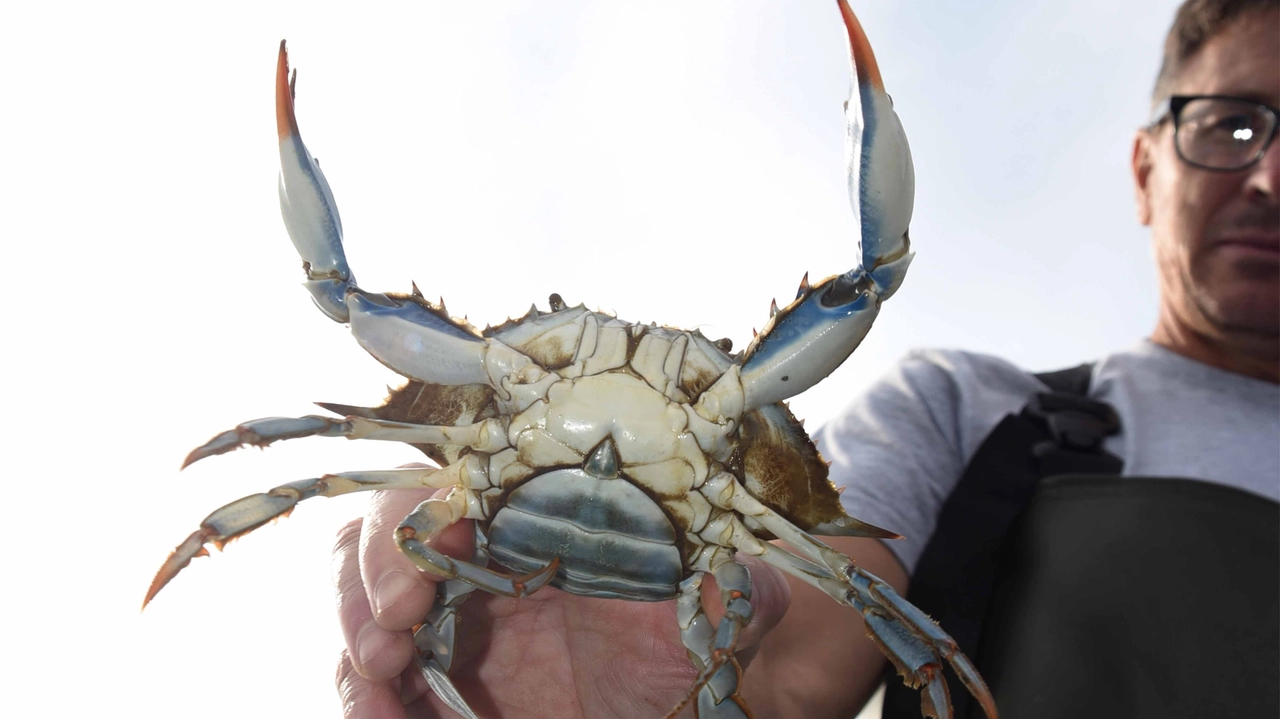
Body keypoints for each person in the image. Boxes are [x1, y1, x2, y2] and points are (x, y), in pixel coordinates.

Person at [332, 0, 1279, 716]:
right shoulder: (973, 411)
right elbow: (795, 646)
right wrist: (638, 679)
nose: (1272, 178)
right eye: (1233, 126)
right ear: (1148, 168)